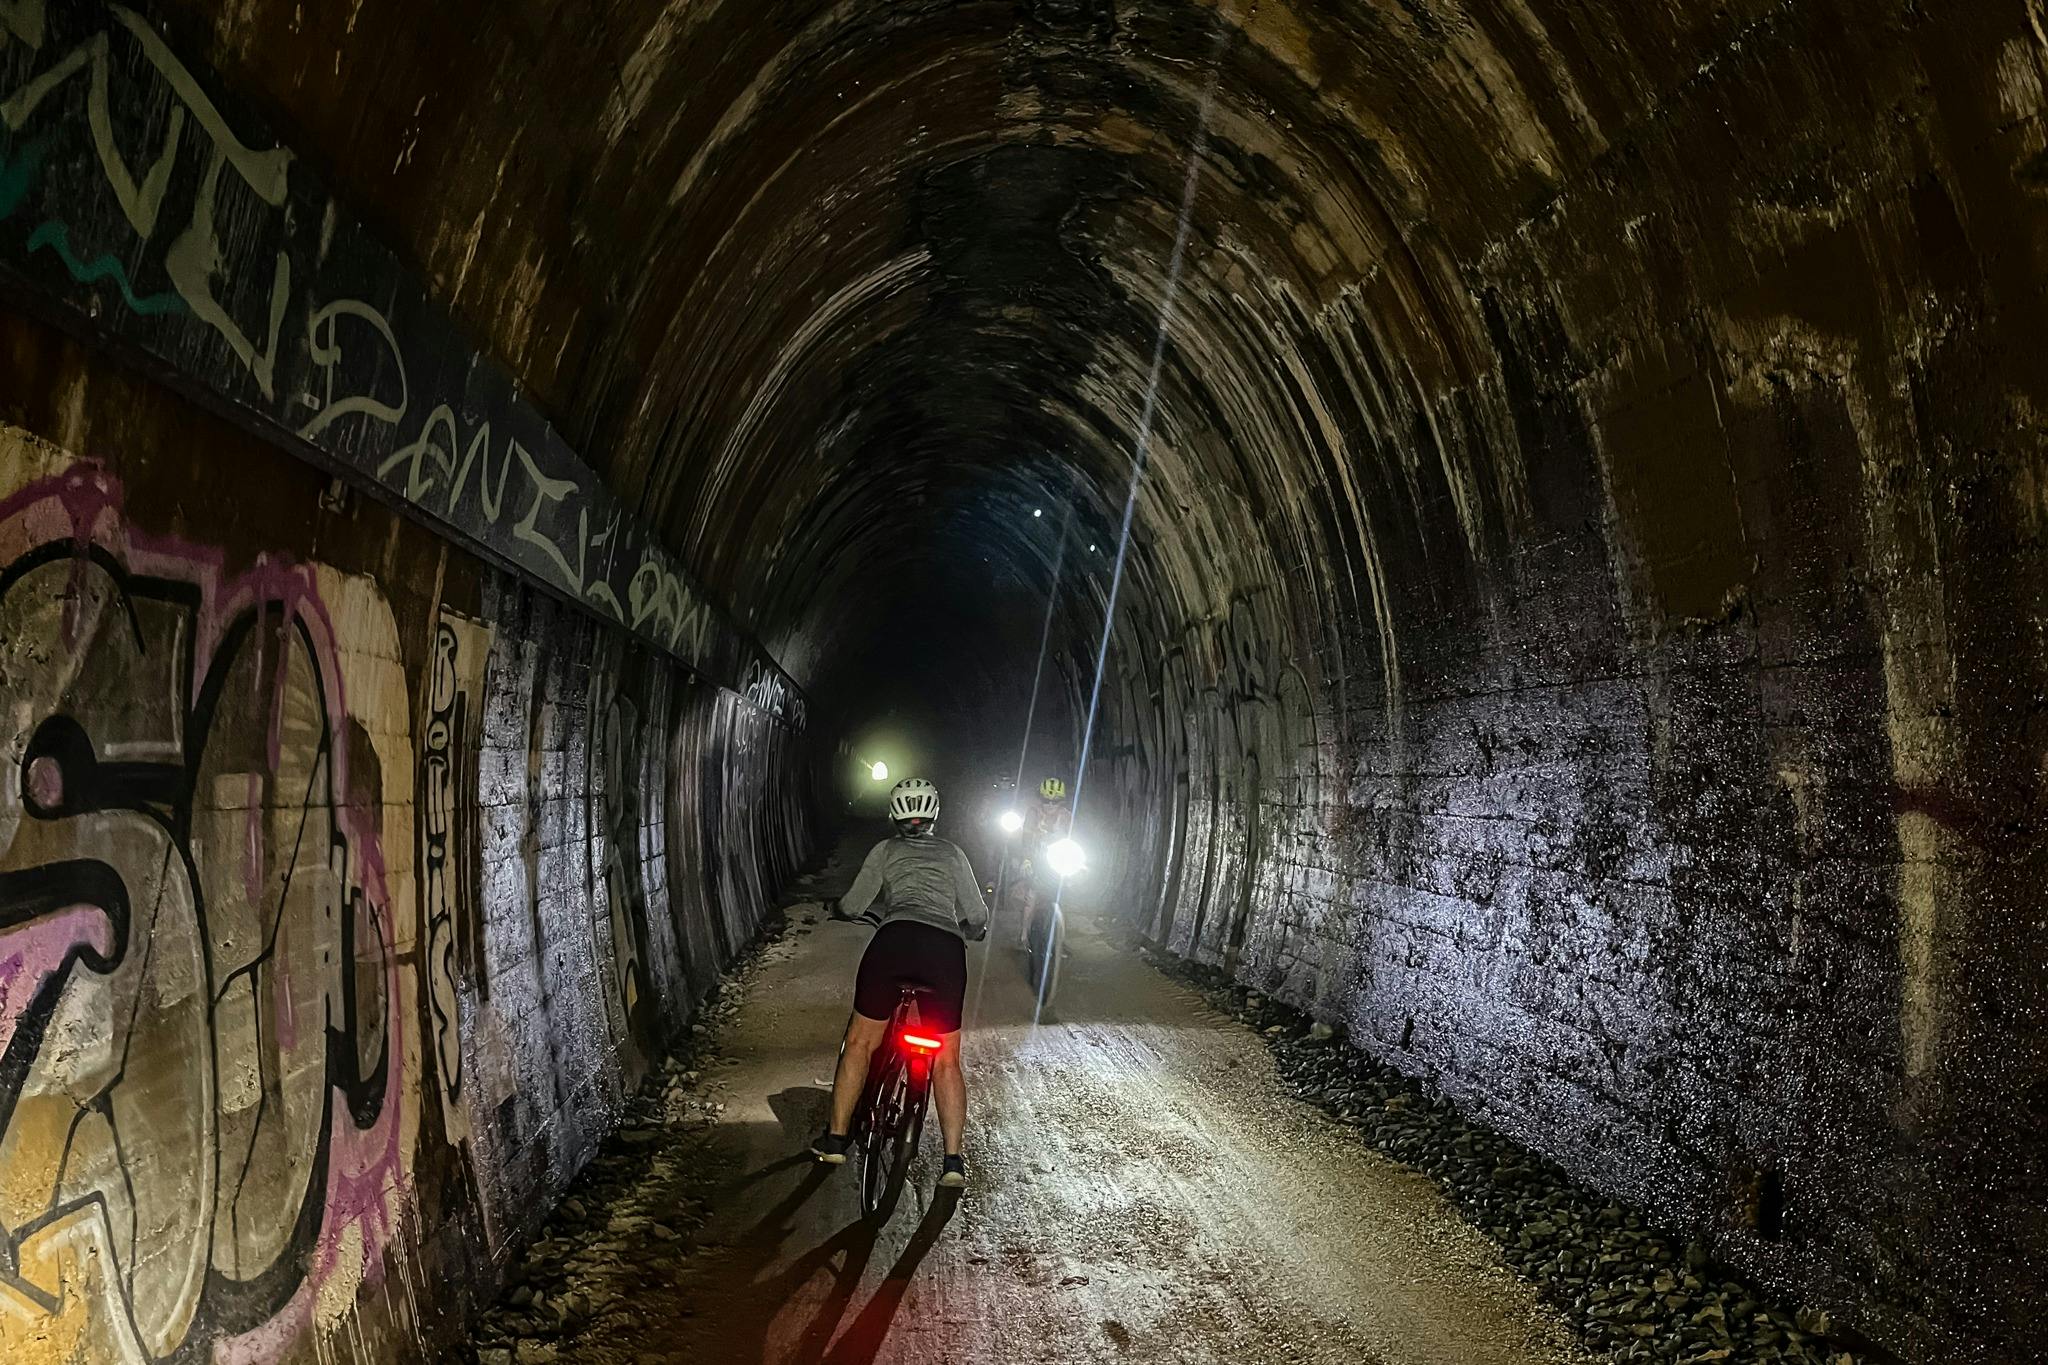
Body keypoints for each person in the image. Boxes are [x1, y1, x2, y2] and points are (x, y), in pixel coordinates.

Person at [812, 777, 989, 1188]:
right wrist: (970, 930)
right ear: (935, 815)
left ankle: (836, 1139)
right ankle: (952, 1163)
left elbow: (855, 903)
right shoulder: (952, 853)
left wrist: (837, 909)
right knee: (945, 1059)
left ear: (893, 816)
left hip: (894, 943)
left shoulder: (885, 849)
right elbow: (978, 915)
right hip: (944, 953)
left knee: (860, 1042)